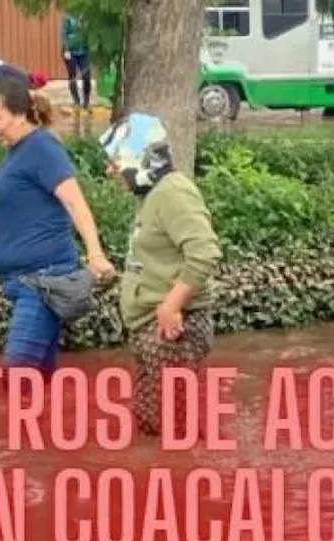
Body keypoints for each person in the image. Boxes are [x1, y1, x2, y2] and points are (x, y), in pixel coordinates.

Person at [0, 74, 116, 375]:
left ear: (19, 114)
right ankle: (52, 422)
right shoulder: (18, 152)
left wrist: (94, 254)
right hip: (21, 282)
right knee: (38, 380)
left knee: (18, 378)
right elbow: (8, 192)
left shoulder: (42, 148)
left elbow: (75, 202)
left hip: (43, 283)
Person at [98, 113, 224, 436]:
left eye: (116, 161)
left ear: (139, 158)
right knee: (152, 427)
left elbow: (205, 252)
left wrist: (171, 305)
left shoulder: (173, 192)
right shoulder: (150, 196)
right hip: (151, 331)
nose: (110, 170)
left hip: (171, 333)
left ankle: (191, 484)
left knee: (178, 432)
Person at [61, 13, 93, 113]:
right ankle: (76, 102)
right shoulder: (68, 17)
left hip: (84, 51)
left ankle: (86, 102)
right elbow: (64, 34)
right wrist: (66, 50)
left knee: (86, 76)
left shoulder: (88, 15)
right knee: (72, 76)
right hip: (71, 53)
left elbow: (91, 33)